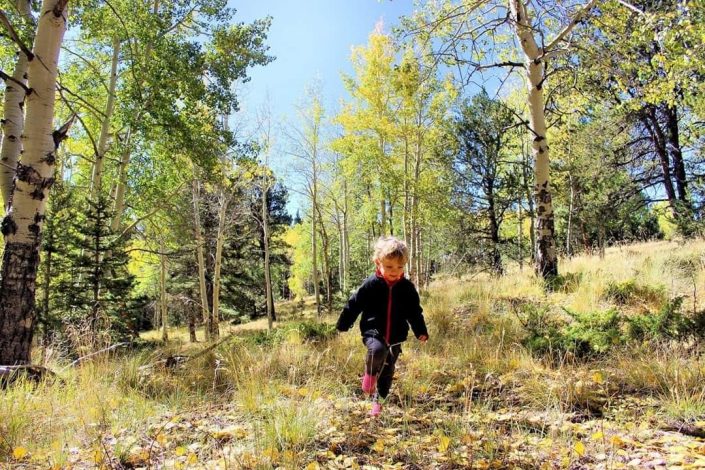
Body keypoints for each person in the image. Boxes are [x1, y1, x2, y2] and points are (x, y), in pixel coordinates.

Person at [336, 236, 429, 417]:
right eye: (389, 267)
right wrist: (344, 323)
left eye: (400, 267)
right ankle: (369, 374)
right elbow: (354, 304)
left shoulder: (407, 288)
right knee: (377, 351)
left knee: (387, 373)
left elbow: (414, 312)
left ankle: (379, 403)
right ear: (378, 262)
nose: (395, 271)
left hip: (396, 337)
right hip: (373, 332)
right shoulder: (371, 284)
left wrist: (420, 331)